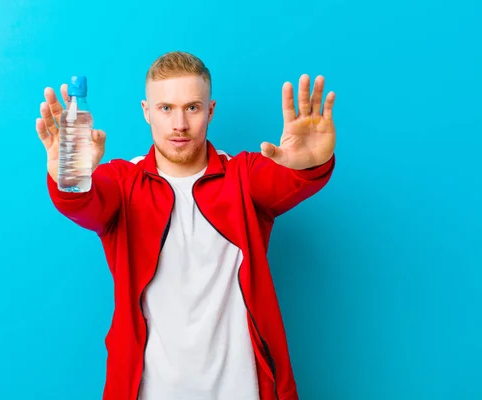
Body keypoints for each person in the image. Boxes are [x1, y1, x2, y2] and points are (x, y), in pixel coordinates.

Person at [36, 51, 336, 400]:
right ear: (146, 111)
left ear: (210, 111)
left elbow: (287, 181)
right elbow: (83, 204)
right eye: (166, 108)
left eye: (192, 107)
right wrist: (69, 177)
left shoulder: (244, 176)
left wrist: (311, 164)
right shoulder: (121, 182)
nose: (179, 124)